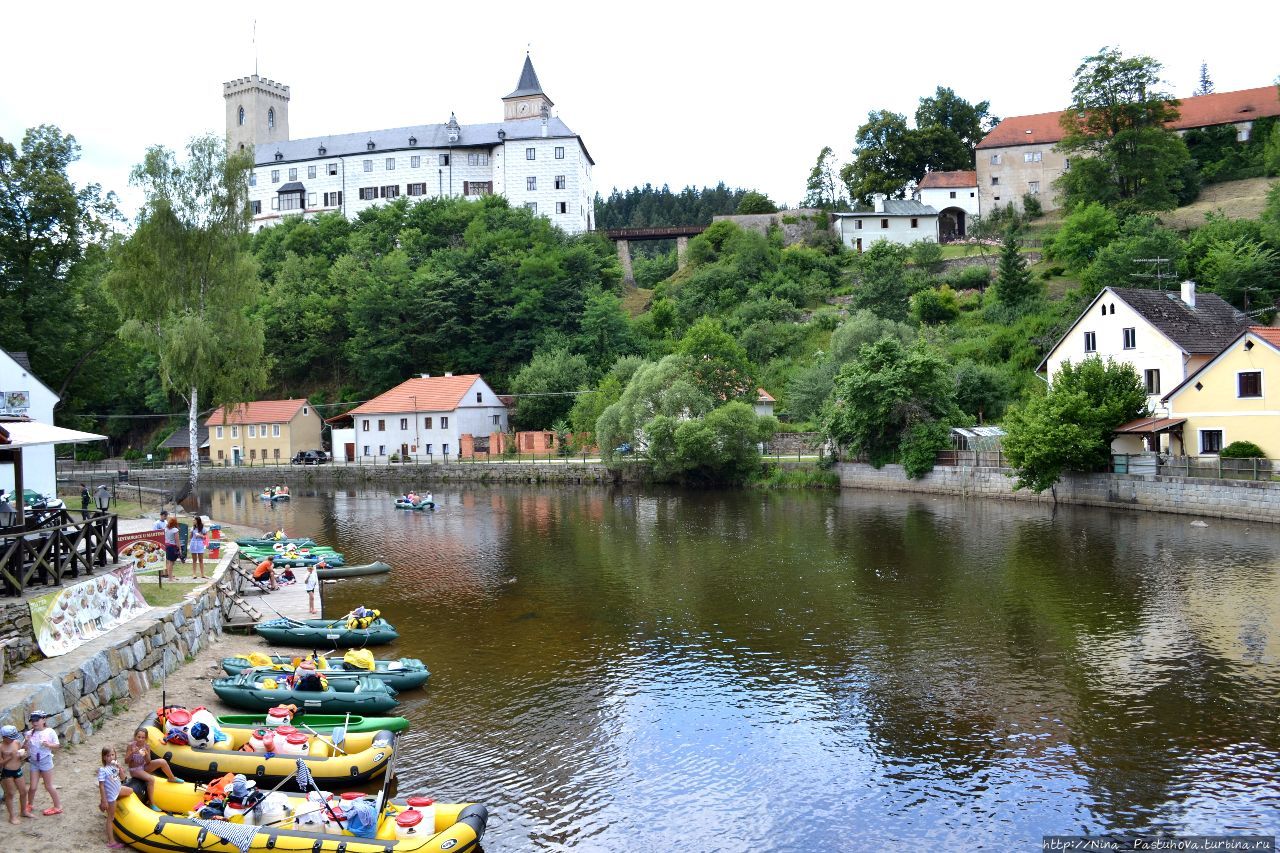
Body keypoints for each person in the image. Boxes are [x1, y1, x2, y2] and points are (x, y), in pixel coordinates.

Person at [125, 729, 180, 804]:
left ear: (146, 738)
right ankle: (151, 802)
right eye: (139, 737)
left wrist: (146, 754)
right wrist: (132, 753)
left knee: (162, 761)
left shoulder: (146, 746)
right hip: (135, 770)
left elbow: (148, 761)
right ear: (135, 737)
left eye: (143, 737)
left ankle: (171, 778)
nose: (140, 739)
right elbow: (126, 761)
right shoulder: (131, 746)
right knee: (151, 779)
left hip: (143, 766)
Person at [25, 711, 62, 816]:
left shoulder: (49, 731)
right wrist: (26, 741)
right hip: (34, 762)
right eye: (33, 720)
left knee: (48, 786)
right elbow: (25, 748)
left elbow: (57, 745)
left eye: (37, 720)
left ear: (44, 720)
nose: (34, 722)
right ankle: (30, 804)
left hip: (45, 760)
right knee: (32, 787)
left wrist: (48, 744)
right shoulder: (29, 733)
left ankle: (58, 806)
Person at [97, 746, 133, 848]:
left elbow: (123, 778)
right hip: (111, 796)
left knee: (130, 791)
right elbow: (101, 785)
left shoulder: (115, 767)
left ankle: (102, 805)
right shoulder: (103, 770)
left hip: (118, 789)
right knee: (111, 818)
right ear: (104, 758)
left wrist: (120, 769)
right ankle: (111, 841)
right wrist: (104, 800)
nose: (111, 757)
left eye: (112, 755)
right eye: (108, 756)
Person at [1, 725, 28, 825]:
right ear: (4, 737)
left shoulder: (16, 742)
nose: (12, 739)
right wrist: (10, 757)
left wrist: (23, 755)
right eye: (10, 738)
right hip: (7, 772)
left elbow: (20, 754)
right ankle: (12, 816)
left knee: (24, 791)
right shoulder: (1, 747)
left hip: (18, 770)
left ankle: (24, 811)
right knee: (10, 794)